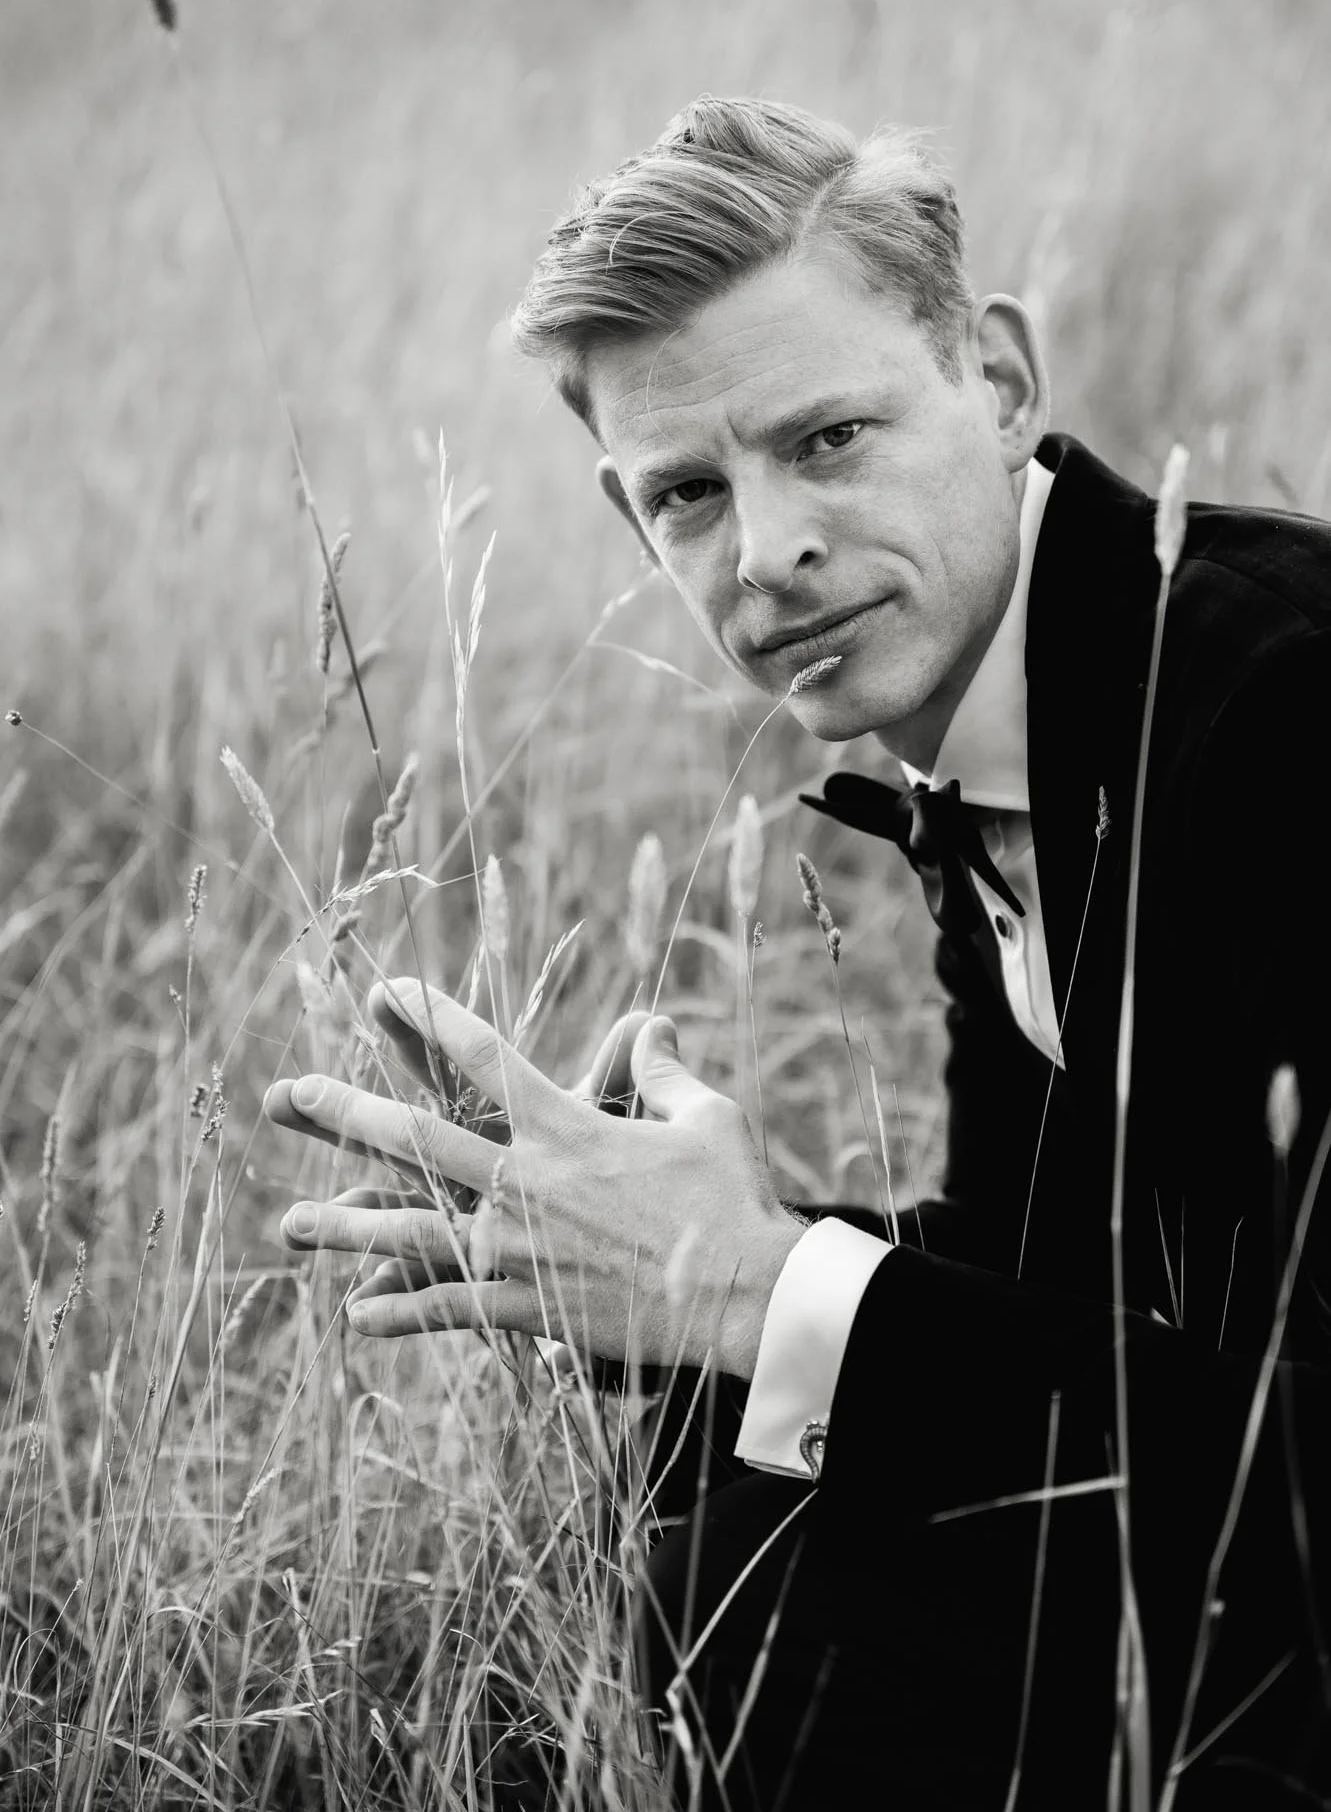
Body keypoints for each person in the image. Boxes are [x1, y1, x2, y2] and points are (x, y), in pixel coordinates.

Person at [267, 97, 1331, 1808]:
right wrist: (634, 1247)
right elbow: (1066, 1265)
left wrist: (756, 1282)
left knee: (768, 1579)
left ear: (996, 380)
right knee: (717, 1444)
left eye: (827, 438)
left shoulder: (1283, 707)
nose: (764, 555)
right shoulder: (1006, 718)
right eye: (689, 493)